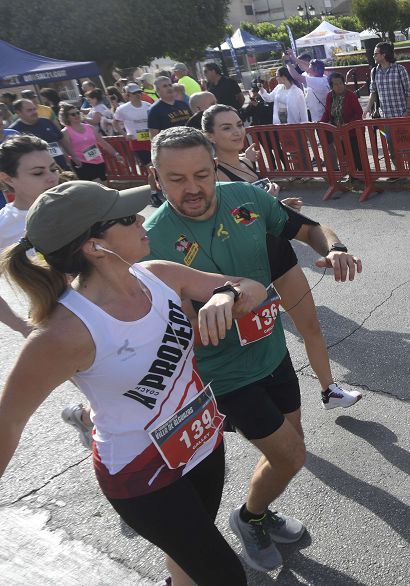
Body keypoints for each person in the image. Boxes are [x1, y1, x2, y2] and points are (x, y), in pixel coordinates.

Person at [0, 180, 267, 585]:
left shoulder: (158, 274)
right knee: (227, 576)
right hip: (141, 473)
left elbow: (255, 289)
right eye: (127, 218)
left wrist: (225, 295)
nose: (143, 218)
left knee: (190, 557)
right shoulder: (63, 333)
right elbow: (9, 421)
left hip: (200, 441)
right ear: (95, 246)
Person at [145, 127, 363, 571]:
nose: (193, 189)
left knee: (290, 449)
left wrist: (335, 248)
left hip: (272, 351)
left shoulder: (245, 197)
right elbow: (164, 329)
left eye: (202, 175)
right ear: (155, 178)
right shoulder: (151, 240)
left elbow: (309, 228)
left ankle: (258, 512)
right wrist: (216, 303)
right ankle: (249, 518)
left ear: (214, 168)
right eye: (177, 179)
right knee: (291, 455)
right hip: (220, 373)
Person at [203, 104, 364, 407]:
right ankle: (258, 415)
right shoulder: (212, 173)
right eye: (226, 127)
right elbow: (227, 219)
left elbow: (262, 209)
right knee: (259, 343)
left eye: (239, 124)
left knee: (311, 325)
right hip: (245, 266)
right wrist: (263, 204)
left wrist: (277, 204)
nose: (237, 131)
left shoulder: (245, 164)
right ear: (209, 135)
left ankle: (329, 390)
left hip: (278, 252)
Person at [0, 134, 60, 337]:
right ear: (7, 178)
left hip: (121, 313)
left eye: (53, 169)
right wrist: (22, 326)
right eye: (37, 173)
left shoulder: (82, 201)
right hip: (58, 326)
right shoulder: (4, 225)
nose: (51, 177)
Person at [6, 99, 73, 170]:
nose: (34, 112)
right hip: (39, 172)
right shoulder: (14, 131)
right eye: (29, 110)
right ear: (18, 112)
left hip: (61, 165)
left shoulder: (46, 121)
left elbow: (61, 139)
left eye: (34, 109)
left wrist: (73, 156)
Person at [59, 104, 119, 182]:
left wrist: (116, 154)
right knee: (96, 185)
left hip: (98, 160)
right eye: (73, 114)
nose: (77, 115)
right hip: (82, 163)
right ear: (66, 117)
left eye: (77, 112)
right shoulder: (65, 132)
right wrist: (71, 165)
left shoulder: (90, 127)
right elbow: (66, 151)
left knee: (104, 185)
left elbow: (103, 143)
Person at [321, 73, 365, 173]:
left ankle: (363, 176)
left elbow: (359, 113)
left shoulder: (351, 96)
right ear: (331, 86)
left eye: (341, 83)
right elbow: (327, 113)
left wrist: (348, 124)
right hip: (338, 132)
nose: (339, 86)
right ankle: (352, 177)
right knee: (346, 156)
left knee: (358, 156)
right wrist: (320, 123)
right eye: (335, 84)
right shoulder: (330, 96)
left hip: (353, 132)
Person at [366, 41, 410, 119]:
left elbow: (409, 91)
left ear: (383, 55)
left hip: (401, 115)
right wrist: (368, 107)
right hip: (384, 117)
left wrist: (408, 111)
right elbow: (373, 92)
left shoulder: (400, 69)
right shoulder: (374, 71)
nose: (373, 56)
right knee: (385, 132)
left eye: (375, 54)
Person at [113, 83, 153, 166]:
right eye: (134, 93)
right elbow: (115, 122)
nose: (138, 95)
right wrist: (125, 134)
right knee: (150, 167)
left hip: (151, 140)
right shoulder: (122, 109)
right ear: (128, 95)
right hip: (136, 142)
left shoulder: (148, 105)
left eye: (139, 92)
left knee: (155, 168)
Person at [285, 52, 330, 123]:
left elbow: (296, 76)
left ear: (315, 70)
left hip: (320, 117)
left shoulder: (316, 81)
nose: (308, 68)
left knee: (323, 134)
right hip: (318, 115)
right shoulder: (323, 77)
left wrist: (287, 62)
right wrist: (294, 58)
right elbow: (308, 66)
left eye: (310, 68)